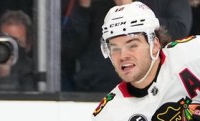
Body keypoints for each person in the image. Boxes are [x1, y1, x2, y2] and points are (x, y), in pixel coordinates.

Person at [61, 0, 192, 92]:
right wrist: (84, 6)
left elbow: (179, 30)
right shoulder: (95, 4)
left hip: (152, 87)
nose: (123, 54)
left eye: (132, 45)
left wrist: (131, 11)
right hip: (94, 90)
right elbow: (69, 48)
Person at [0, 10, 37, 92]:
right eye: (6, 40)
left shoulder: (32, 71)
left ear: (28, 44)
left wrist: (4, 78)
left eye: (17, 42)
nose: (10, 47)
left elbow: (28, 100)